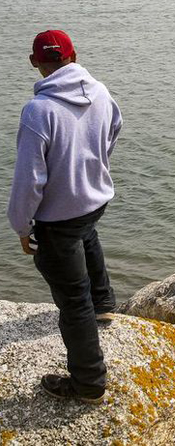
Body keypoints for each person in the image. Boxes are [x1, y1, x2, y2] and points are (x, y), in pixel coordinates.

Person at [7, 30, 123, 404]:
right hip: (95, 200)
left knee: (74, 302)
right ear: (74, 57)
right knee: (86, 232)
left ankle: (88, 384)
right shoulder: (101, 91)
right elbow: (113, 132)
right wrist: (91, 169)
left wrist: (22, 227)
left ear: (33, 62)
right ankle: (104, 304)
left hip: (58, 218)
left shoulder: (38, 111)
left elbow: (29, 181)